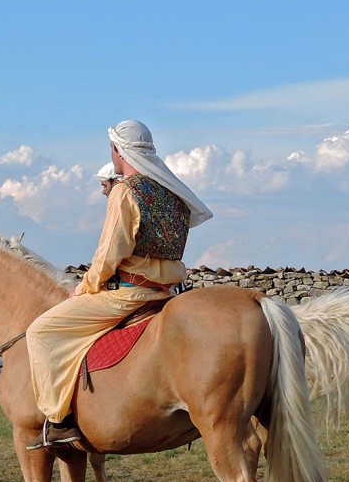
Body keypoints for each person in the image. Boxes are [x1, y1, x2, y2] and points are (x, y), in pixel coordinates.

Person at [26, 119, 212, 447]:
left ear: (117, 150)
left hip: (129, 295)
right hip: (166, 292)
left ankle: (58, 421)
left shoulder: (125, 191)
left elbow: (109, 253)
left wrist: (82, 290)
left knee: (41, 331)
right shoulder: (172, 194)